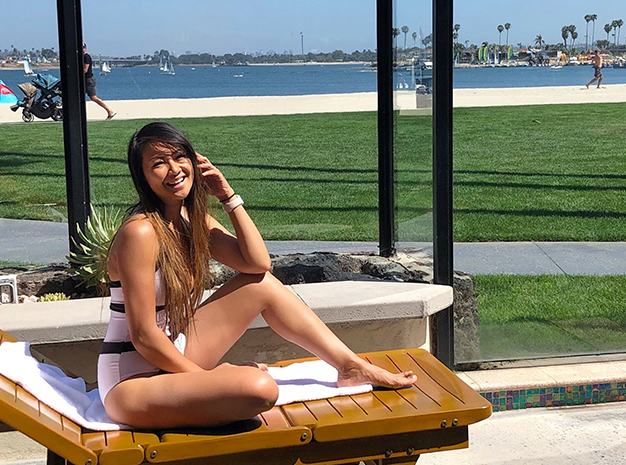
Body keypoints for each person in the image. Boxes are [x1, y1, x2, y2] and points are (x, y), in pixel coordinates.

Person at [97, 122, 417, 429]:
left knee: (260, 286)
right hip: (133, 379)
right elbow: (143, 337)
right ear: (143, 175)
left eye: (180, 157)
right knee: (260, 388)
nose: (174, 169)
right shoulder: (140, 233)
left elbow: (257, 264)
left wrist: (227, 196)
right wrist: (206, 378)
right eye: (158, 163)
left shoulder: (189, 222)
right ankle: (215, 384)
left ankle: (350, 366)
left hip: (175, 353)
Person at [82, 43, 116, 119]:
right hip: (84, 80)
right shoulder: (82, 57)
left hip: (88, 80)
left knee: (93, 98)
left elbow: (85, 70)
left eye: (83, 47)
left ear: (85, 48)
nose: (82, 49)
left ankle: (109, 111)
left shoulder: (86, 57)